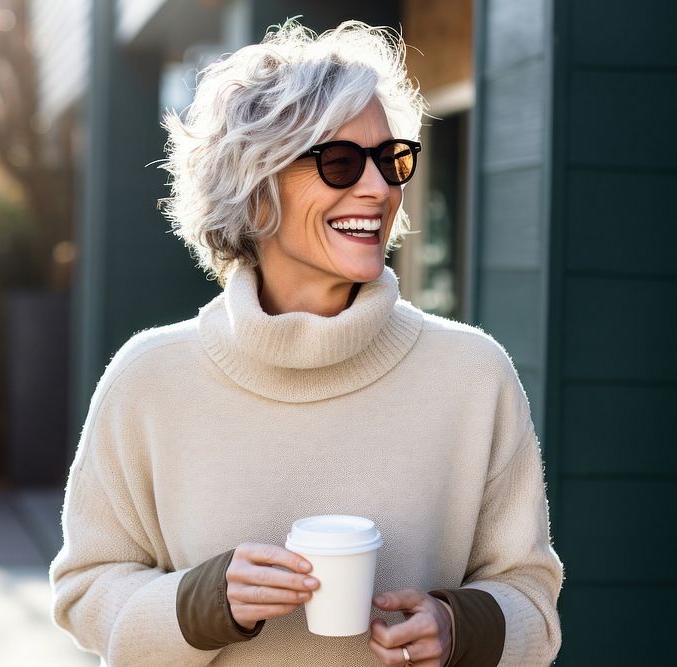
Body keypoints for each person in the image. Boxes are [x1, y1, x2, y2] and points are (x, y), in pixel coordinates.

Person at [51, 19, 562, 667]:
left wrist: (460, 628)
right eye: (341, 162)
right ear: (255, 184)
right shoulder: (149, 379)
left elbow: (533, 600)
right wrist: (198, 603)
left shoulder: (473, 374)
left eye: (390, 158)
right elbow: (84, 591)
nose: (378, 189)